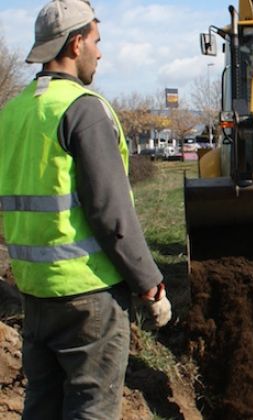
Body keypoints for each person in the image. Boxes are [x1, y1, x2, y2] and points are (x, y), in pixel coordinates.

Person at [0, 1, 171, 418]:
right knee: (91, 408)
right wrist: (149, 283)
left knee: (42, 404)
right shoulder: (83, 110)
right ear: (76, 44)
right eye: (97, 41)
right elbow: (111, 215)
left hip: (35, 292)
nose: (101, 52)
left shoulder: (13, 113)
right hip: (88, 297)